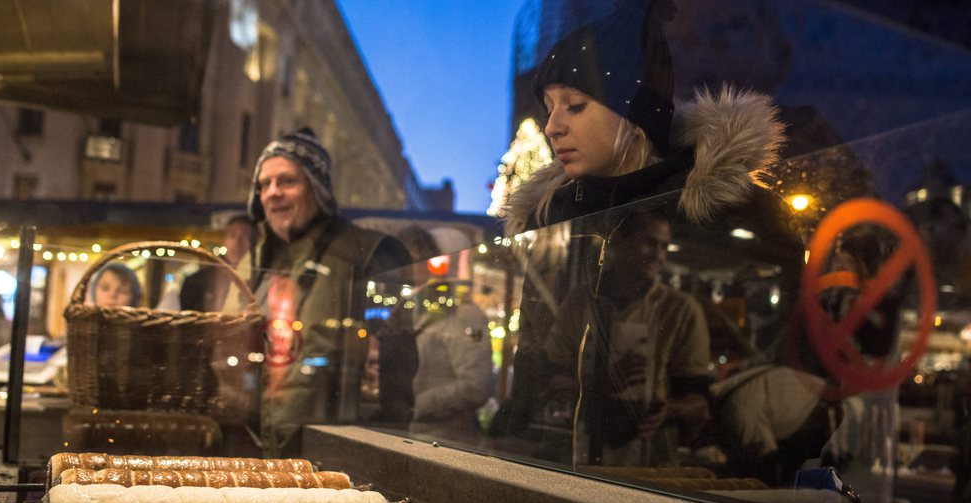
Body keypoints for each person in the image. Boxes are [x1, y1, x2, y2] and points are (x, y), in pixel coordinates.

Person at [500, 0, 808, 468]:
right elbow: (533, 369)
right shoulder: (555, 216)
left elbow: (769, 381)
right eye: (549, 107)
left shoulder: (728, 214)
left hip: (679, 487)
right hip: (555, 468)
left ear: (635, 112)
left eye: (575, 105)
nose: (552, 126)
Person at [234, 127, 410, 456]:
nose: (273, 193)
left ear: (318, 188)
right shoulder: (253, 263)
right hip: (250, 451)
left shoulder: (363, 254)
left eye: (287, 181)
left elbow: (395, 376)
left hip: (330, 457)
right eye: (264, 184)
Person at [542, 211, 711, 465]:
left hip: (651, 462)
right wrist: (600, 386)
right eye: (649, 243)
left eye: (664, 246)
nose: (658, 256)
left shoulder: (681, 310)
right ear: (619, 241)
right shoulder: (581, 302)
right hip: (582, 449)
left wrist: (666, 411)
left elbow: (699, 402)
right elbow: (552, 378)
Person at [396, 226, 494, 441]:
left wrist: (416, 404)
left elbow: (476, 386)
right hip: (409, 435)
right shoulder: (414, 308)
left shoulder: (464, 315)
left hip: (447, 442)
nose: (411, 270)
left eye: (425, 260)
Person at [180, 213, 253, 312]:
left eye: (246, 236)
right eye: (232, 235)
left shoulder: (259, 281)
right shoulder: (195, 282)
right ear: (224, 240)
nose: (238, 242)